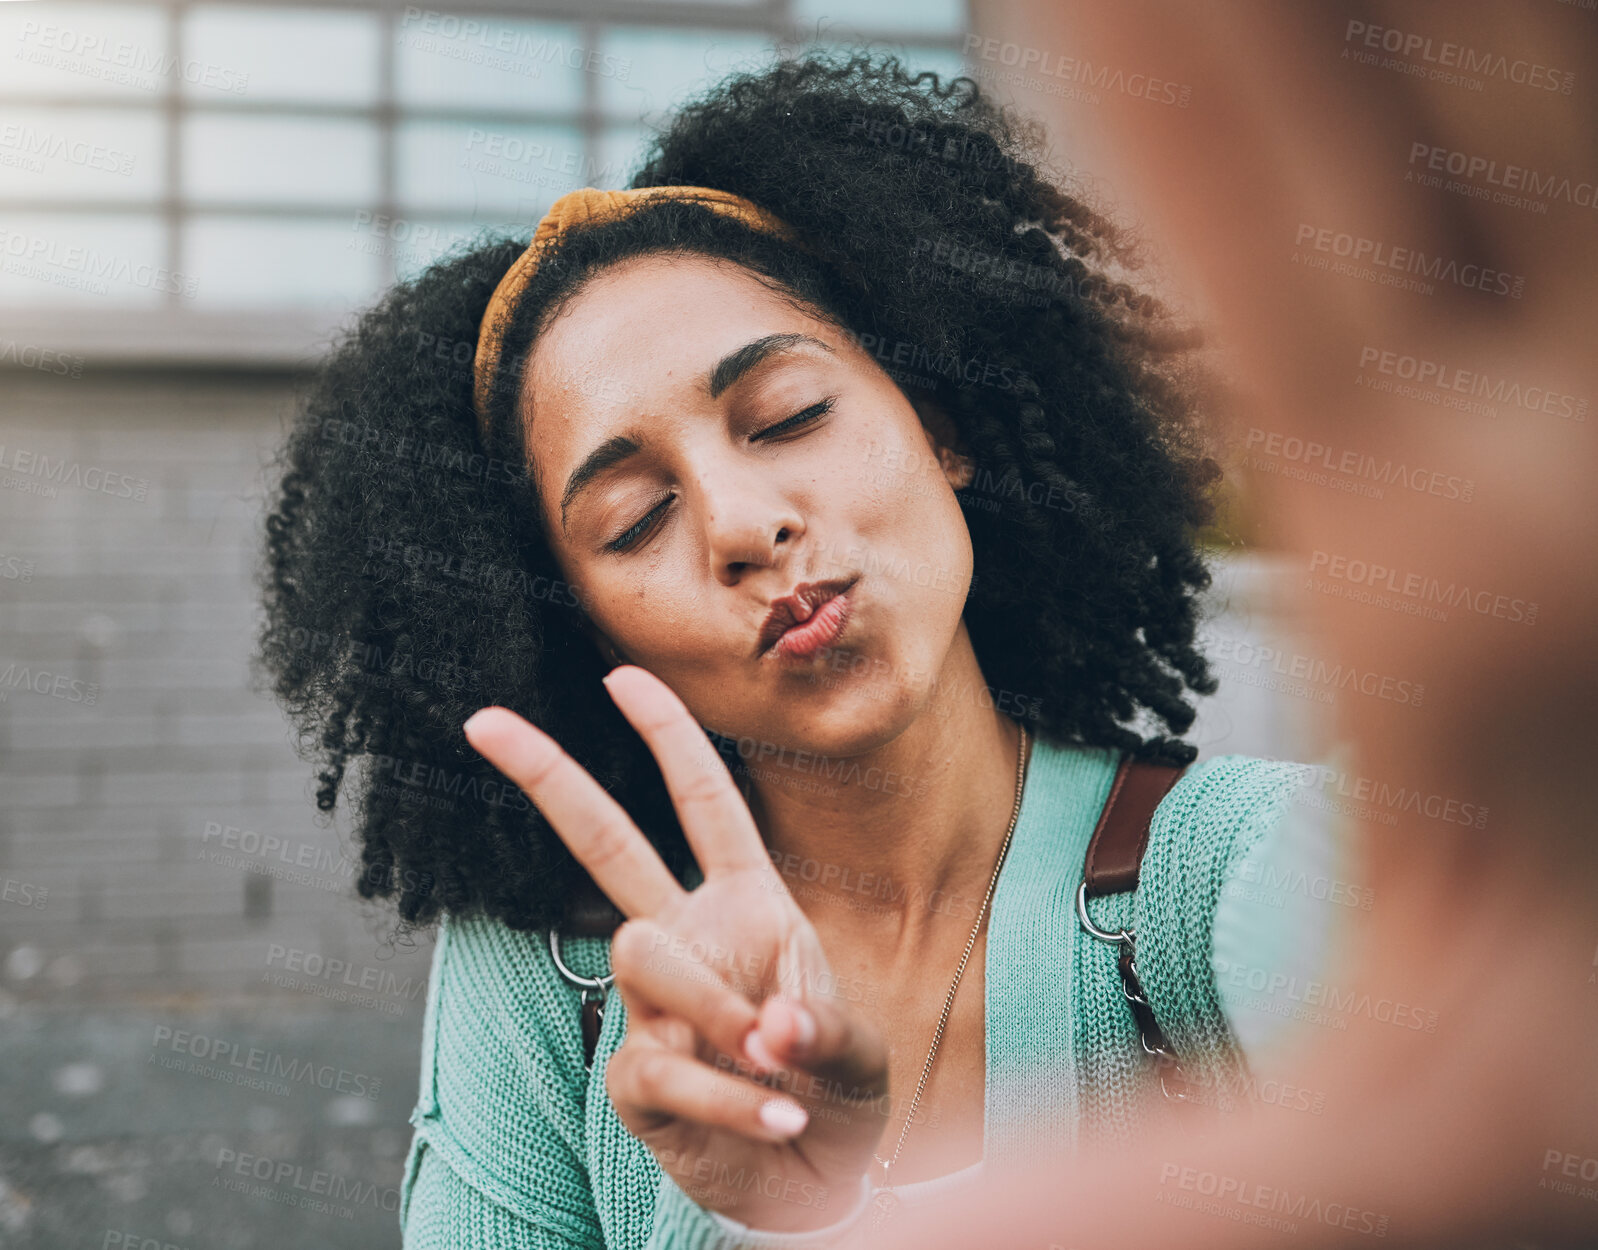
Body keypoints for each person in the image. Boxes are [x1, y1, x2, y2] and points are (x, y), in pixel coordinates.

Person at [257, 52, 1344, 1249]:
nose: (738, 522)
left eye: (788, 415)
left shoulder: (1231, 874)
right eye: (632, 520)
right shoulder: (554, 979)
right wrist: (778, 1220)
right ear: (587, 627)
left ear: (939, 428)